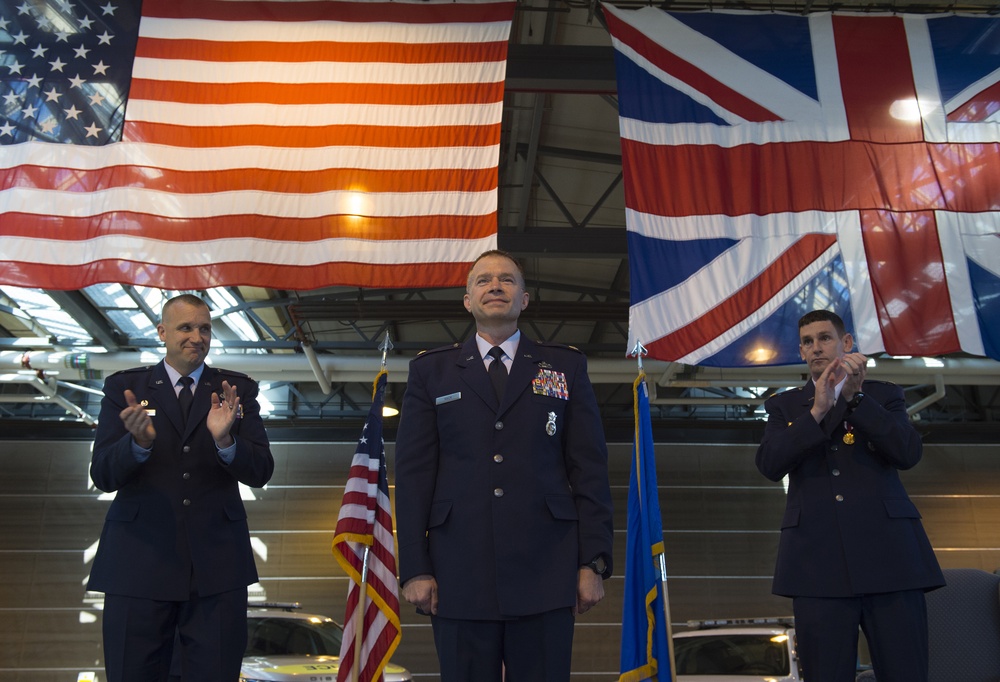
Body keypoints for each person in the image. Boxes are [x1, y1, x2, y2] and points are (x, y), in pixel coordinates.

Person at [394, 249, 614, 682]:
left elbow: (589, 468)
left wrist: (593, 561)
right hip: (457, 570)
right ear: (467, 301)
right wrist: (416, 567)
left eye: (507, 280)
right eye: (483, 280)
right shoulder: (430, 371)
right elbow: (415, 475)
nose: (495, 286)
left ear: (524, 299)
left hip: (547, 569)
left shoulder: (565, 366)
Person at [88, 294, 274, 682]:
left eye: (204, 328)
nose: (197, 336)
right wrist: (136, 445)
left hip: (217, 568)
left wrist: (226, 442)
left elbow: (261, 470)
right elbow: (103, 474)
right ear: (162, 332)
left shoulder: (234, 391)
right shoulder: (125, 388)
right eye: (186, 327)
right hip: (137, 565)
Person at [755, 310, 944, 682]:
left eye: (824, 338)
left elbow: (908, 453)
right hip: (816, 567)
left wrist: (856, 399)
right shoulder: (786, 406)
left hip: (891, 560)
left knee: (906, 672)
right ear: (801, 351)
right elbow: (770, 464)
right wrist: (818, 410)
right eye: (807, 342)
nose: (815, 348)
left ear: (846, 343)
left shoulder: (884, 395)